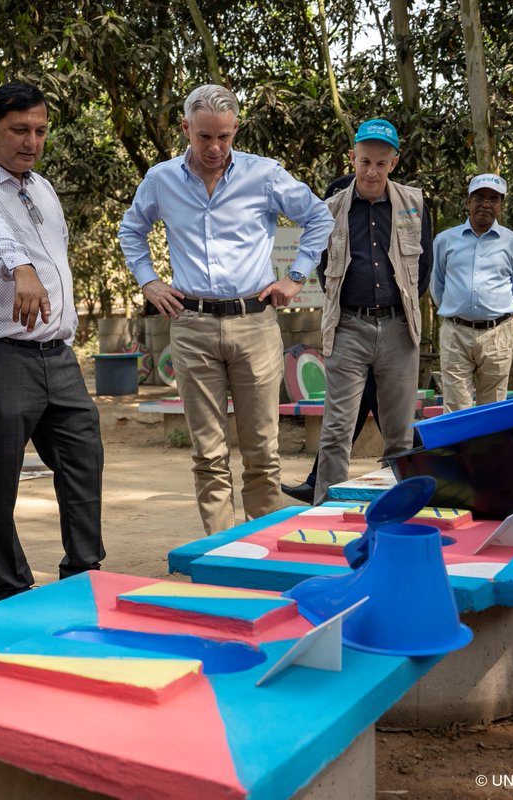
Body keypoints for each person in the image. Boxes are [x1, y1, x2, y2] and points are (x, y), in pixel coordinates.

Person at [118, 84, 333, 535]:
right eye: (204, 137)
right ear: (185, 129)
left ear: (236, 130)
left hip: (255, 323)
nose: (215, 148)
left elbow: (320, 217)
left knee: (261, 449)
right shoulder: (160, 180)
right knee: (209, 452)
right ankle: (220, 547)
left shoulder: (266, 175)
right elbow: (131, 230)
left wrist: (295, 278)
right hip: (191, 325)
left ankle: (264, 545)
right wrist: (149, 282)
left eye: (224, 137)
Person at [0, 82, 105, 601]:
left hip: (57, 356)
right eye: (19, 130)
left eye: (39, 130)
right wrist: (22, 268)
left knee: (83, 457)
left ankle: (83, 574)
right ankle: (12, 587)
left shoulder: (43, 188)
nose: (31, 141)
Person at [313, 119, 433, 505]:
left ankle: (398, 513)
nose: (371, 171)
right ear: (353, 158)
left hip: (399, 330)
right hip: (348, 327)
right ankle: (326, 511)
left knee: (399, 433)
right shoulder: (331, 209)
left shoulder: (414, 204)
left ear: (393, 163)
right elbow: (322, 268)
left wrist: (400, 310)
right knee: (336, 430)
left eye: (380, 164)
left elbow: (424, 268)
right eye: (364, 161)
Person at [282, 173, 377, 504]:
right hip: (347, 335)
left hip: (386, 339)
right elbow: (326, 282)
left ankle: (421, 482)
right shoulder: (328, 243)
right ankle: (317, 482)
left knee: (394, 424)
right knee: (342, 421)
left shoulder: (380, 234)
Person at [431, 173, 513, 412]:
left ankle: (488, 452)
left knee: (493, 407)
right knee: (455, 406)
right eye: (479, 197)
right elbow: (437, 285)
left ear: (500, 206)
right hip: (455, 333)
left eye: (493, 199)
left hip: (497, 334)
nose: (486, 203)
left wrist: (493, 314)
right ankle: (461, 451)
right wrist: (458, 311)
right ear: (468, 202)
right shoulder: (444, 240)